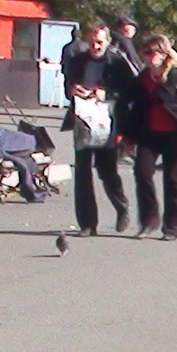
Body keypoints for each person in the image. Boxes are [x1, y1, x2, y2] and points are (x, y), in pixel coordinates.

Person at [119, 34, 177, 240]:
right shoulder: (142, 78)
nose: (151, 56)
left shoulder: (176, 75)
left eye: (156, 52)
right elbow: (126, 104)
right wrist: (125, 135)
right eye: (147, 52)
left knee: (173, 178)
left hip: (176, 134)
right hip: (148, 134)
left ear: (165, 53)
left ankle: (173, 226)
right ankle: (149, 221)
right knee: (142, 173)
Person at [61, 23, 131, 237]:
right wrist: (73, 89)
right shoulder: (78, 61)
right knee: (82, 172)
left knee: (107, 171)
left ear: (107, 42)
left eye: (100, 42)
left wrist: (106, 93)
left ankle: (122, 207)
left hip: (107, 122)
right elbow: (68, 86)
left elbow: (128, 92)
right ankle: (87, 224)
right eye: (92, 42)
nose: (95, 46)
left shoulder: (117, 63)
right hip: (83, 120)